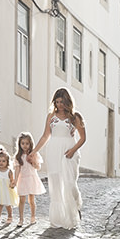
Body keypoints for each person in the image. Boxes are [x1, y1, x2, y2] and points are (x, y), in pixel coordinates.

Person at [34, 88, 85, 230]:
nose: (59, 105)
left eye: (62, 102)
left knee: (69, 183)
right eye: (57, 102)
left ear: (67, 101)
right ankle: (58, 219)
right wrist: (34, 151)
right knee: (56, 184)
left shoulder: (75, 117)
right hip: (53, 151)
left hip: (70, 151)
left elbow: (83, 138)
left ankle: (75, 206)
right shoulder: (51, 116)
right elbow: (45, 136)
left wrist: (73, 150)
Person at [13, 131, 43, 225]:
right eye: (23, 143)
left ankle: (33, 217)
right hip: (22, 179)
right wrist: (15, 181)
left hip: (31, 178)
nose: (25, 145)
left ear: (30, 144)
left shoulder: (34, 154)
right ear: (19, 144)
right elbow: (17, 170)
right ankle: (21, 219)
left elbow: (38, 167)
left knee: (31, 200)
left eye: (27, 143)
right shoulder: (18, 157)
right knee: (21, 200)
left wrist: (33, 161)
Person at [0, 146, 17, 225]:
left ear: (7, 162)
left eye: (3, 161)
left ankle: (10, 217)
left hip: (6, 190)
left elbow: (12, 180)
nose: (1, 163)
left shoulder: (9, 171)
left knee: (8, 205)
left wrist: (12, 184)